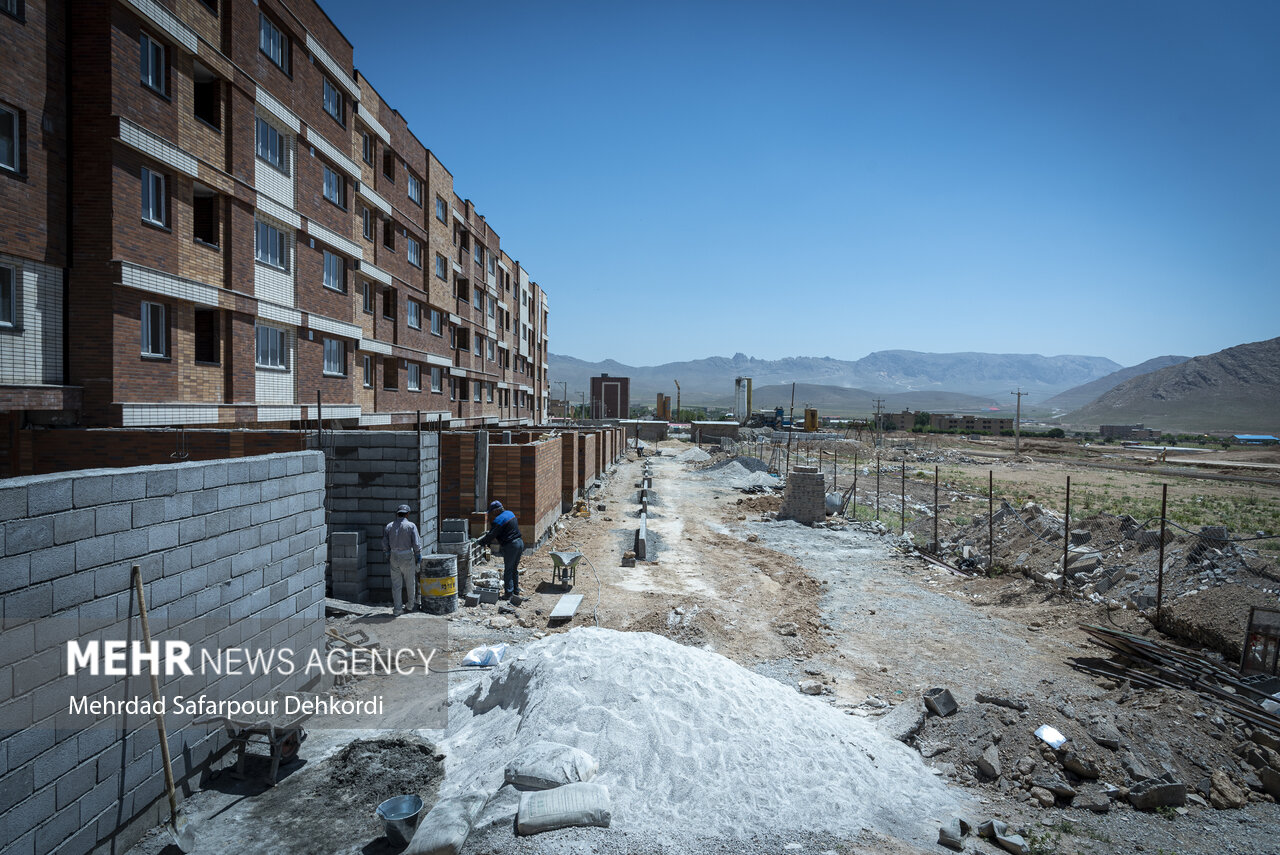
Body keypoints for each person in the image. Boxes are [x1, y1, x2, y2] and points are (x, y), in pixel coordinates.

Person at [477, 500, 524, 598]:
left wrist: (480, 542)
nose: (493, 514)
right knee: (514, 569)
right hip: (520, 543)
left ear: (497, 510)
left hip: (511, 546)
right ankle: (516, 591)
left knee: (508, 570)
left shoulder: (498, 520)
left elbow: (492, 535)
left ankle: (508, 594)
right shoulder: (510, 513)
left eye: (493, 512)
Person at [382, 504, 422, 615]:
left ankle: (397, 609)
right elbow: (416, 543)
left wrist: (387, 554)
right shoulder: (411, 526)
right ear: (407, 514)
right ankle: (410, 605)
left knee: (396, 584)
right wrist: (418, 555)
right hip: (407, 555)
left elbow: (385, 543)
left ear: (397, 513)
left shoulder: (389, 526)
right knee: (410, 582)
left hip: (394, 556)